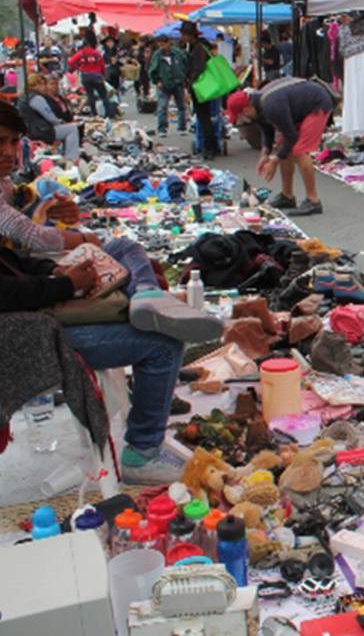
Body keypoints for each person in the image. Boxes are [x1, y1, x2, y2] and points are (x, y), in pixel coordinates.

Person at [0, 102, 222, 482]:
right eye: (0, 142)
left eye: (14, 141)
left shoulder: (8, 189)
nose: (8, 151)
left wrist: (58, 269)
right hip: (27, 334)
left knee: (119, 248)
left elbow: (16, 260)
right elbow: (11, 282)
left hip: (42, 304)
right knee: (163, 344)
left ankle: (147, 296)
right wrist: (67, 281)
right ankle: (142, 452)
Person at [225, 77, 335, 217]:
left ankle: (313, 200)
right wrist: (265, 154)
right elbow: (266, 130)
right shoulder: (257, 105)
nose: (241, 121)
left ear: (246, 110)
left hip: (317, 104)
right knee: (283, 145)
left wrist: (275, 161)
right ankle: (287, 196)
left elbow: (292, 136)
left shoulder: (271, 105)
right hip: (300, 108)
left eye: (240, 116)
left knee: (298, 150)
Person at [19, 73, 81, 161]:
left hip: (30, 130)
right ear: (36, 85)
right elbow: (51, 118)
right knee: (72, 128)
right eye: (43, 84)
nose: (45, 87)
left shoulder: (24, 97)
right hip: (40, 131)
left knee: (65, 129)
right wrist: (60, 122)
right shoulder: (36, 98)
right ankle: (72, 159)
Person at [181, 21, 220, 160]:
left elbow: (198, 69)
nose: (182, 37)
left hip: (201, 87)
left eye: (183, 35)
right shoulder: (198, 46)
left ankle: (208, 149)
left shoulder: (198, 48)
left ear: (189, 35)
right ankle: (212, 147)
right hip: (203, 86)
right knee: (205, 117)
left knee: (204, 118)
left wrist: (189, 86)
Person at [68, 31, 118, 118]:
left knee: (90, 95)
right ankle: (109, 113)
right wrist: (103, 75)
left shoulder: (81, 53)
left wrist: (78, 68)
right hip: (97, 75)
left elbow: (71, 61)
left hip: (86, 76)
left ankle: (94, 113)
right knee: (103, 95)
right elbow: (102, 65)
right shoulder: (97, 53)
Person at [148, 36, 188, 136]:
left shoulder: (178, 53)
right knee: (162, 107)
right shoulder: (157, 55)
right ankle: (162, 129)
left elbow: (186, 65)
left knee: (181, 106)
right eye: (160, 45)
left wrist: (184, 79)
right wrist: (156, 82)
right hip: (163, 84)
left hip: (178, 83)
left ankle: (182, 127)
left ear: (168, 43)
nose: (161, 47)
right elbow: (152, 70)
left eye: (163, 44)